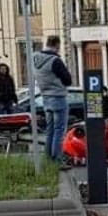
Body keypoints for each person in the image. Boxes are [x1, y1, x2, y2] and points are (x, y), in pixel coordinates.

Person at [32, 35, 74, 167]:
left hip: (45, 97)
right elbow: (67, 80)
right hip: (58, 97)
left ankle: (48, 158)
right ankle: (57, 159)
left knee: (50, 129)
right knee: (59, 130)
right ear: (57, 45)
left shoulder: (35, 58)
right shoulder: (55, 60)